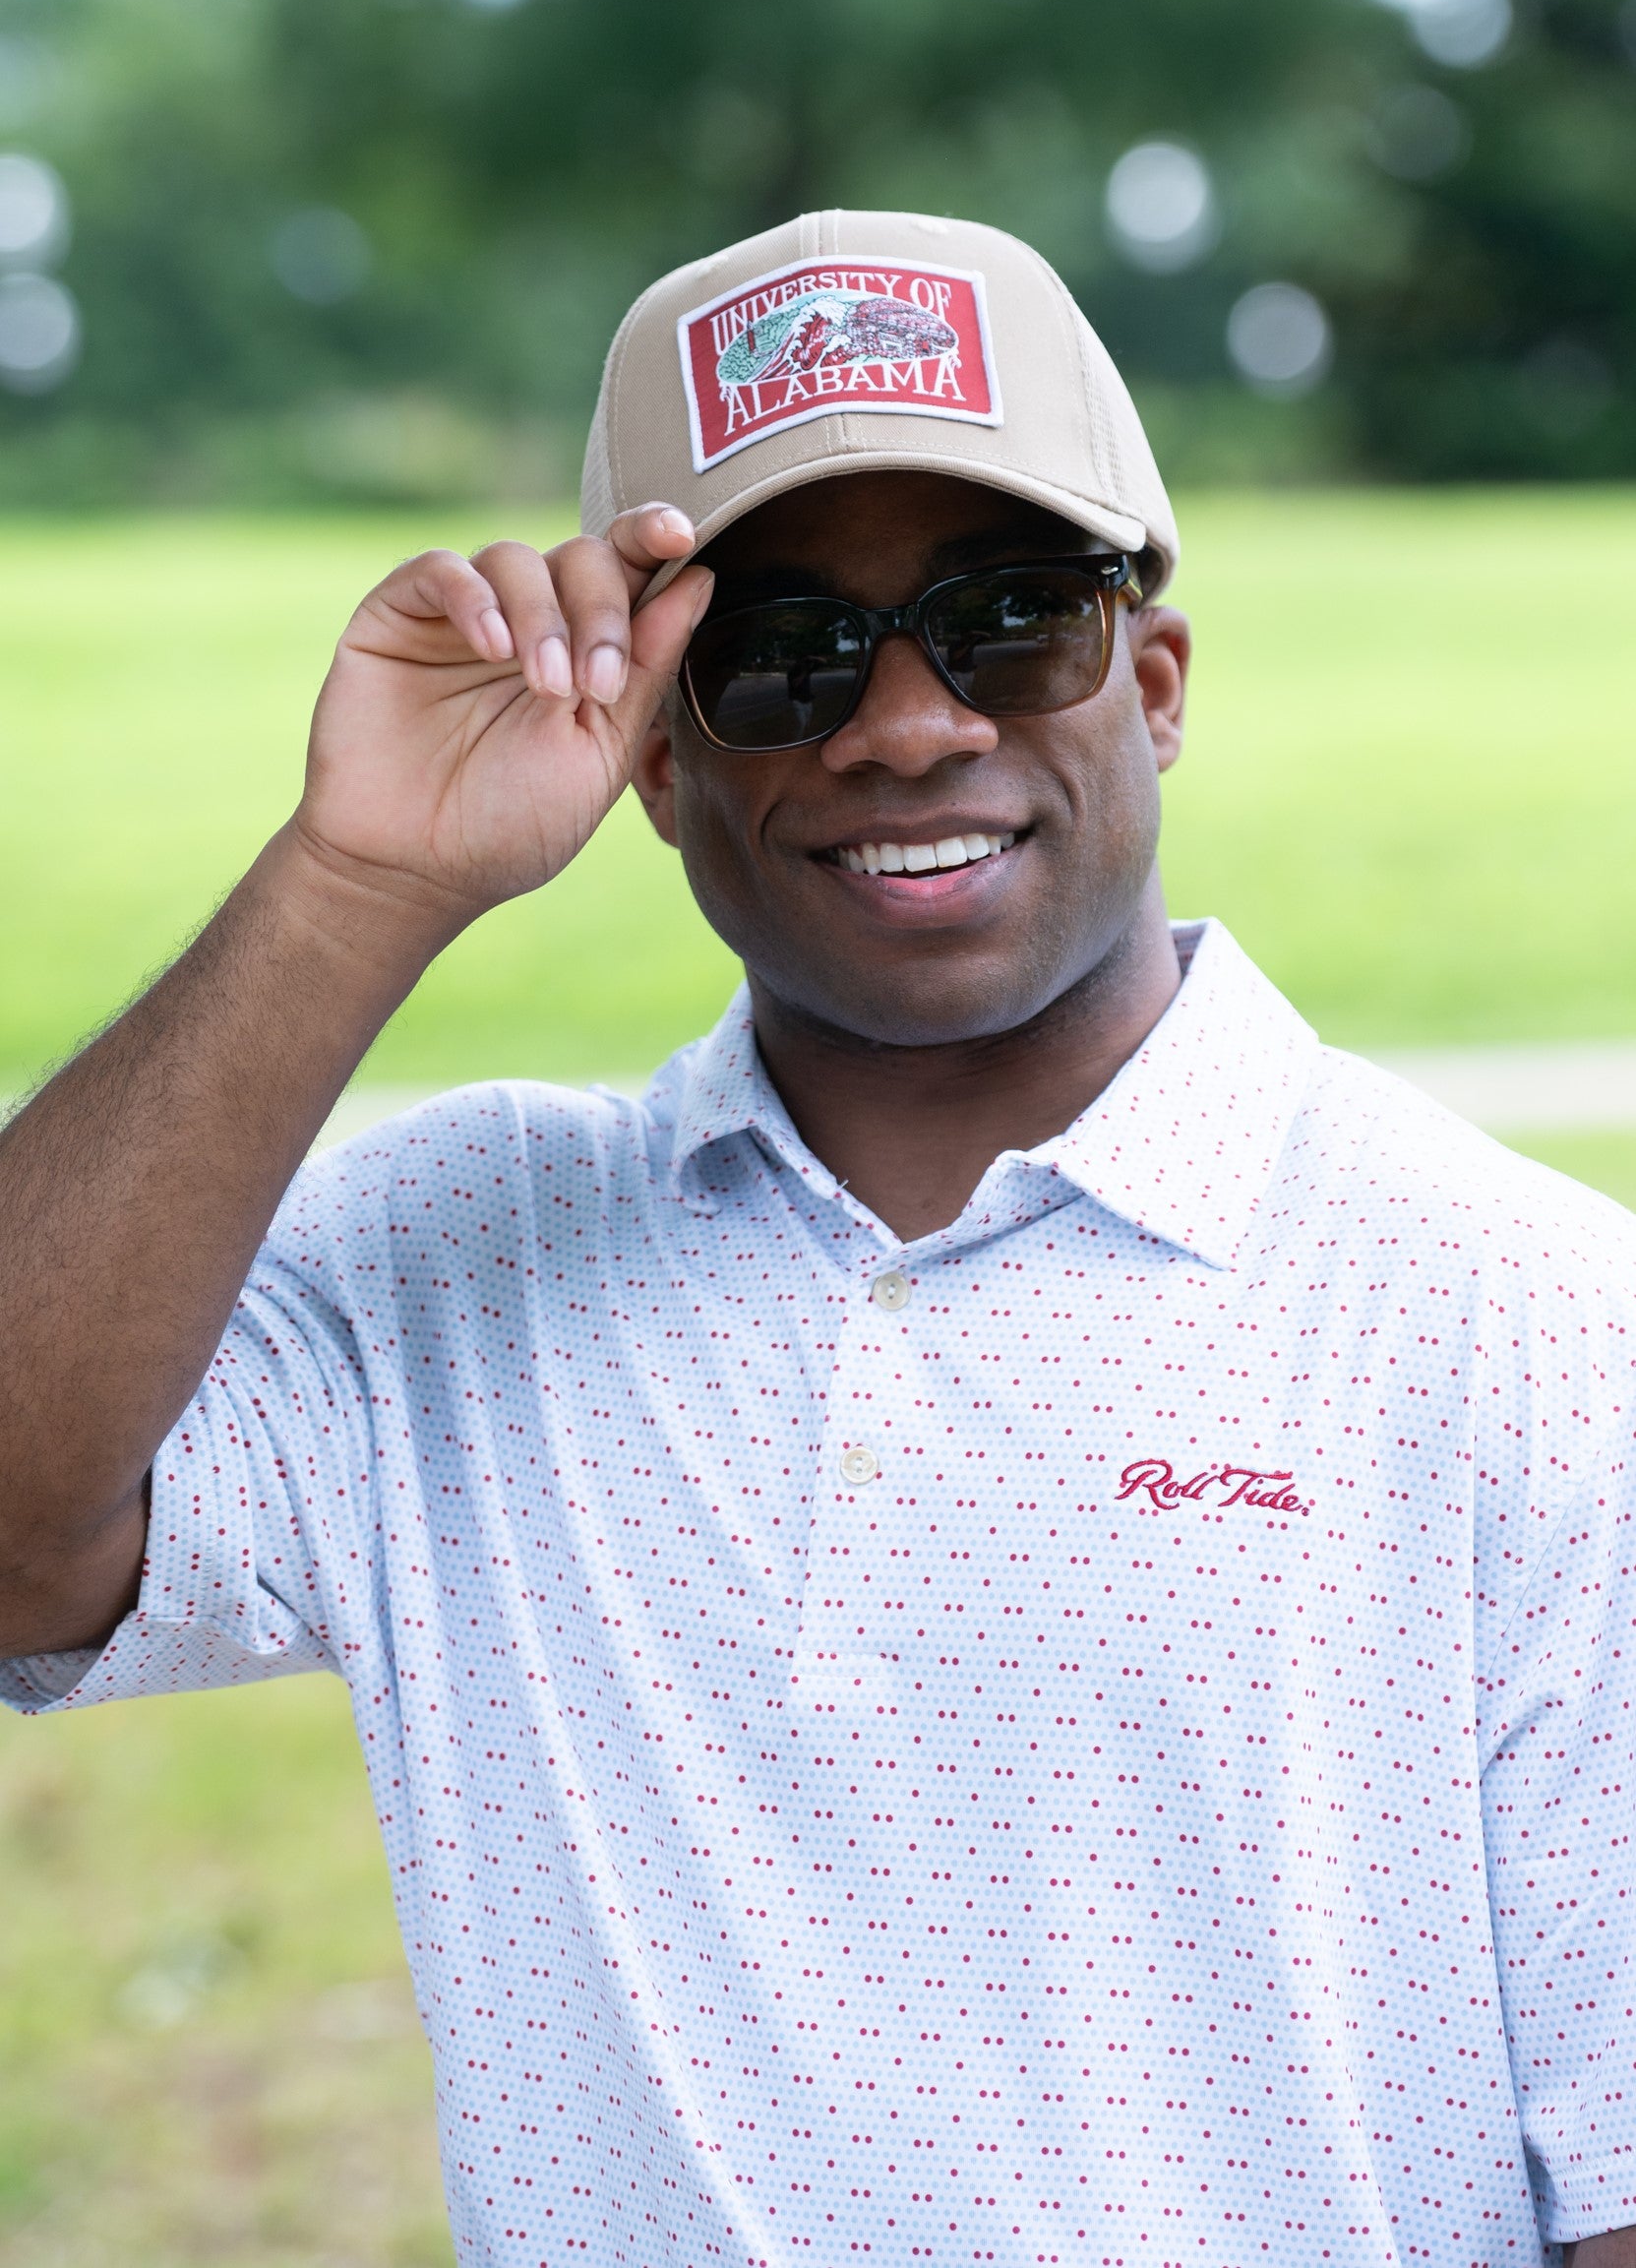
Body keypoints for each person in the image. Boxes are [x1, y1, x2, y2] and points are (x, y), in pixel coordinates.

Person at [1, 210, 1632, 2268]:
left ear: (1156, 677)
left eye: (1011, 617)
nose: (907, 723)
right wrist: (351, 881)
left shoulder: (1547, 1328)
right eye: (783, 655)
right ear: (656, 766)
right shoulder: (457, 1259)